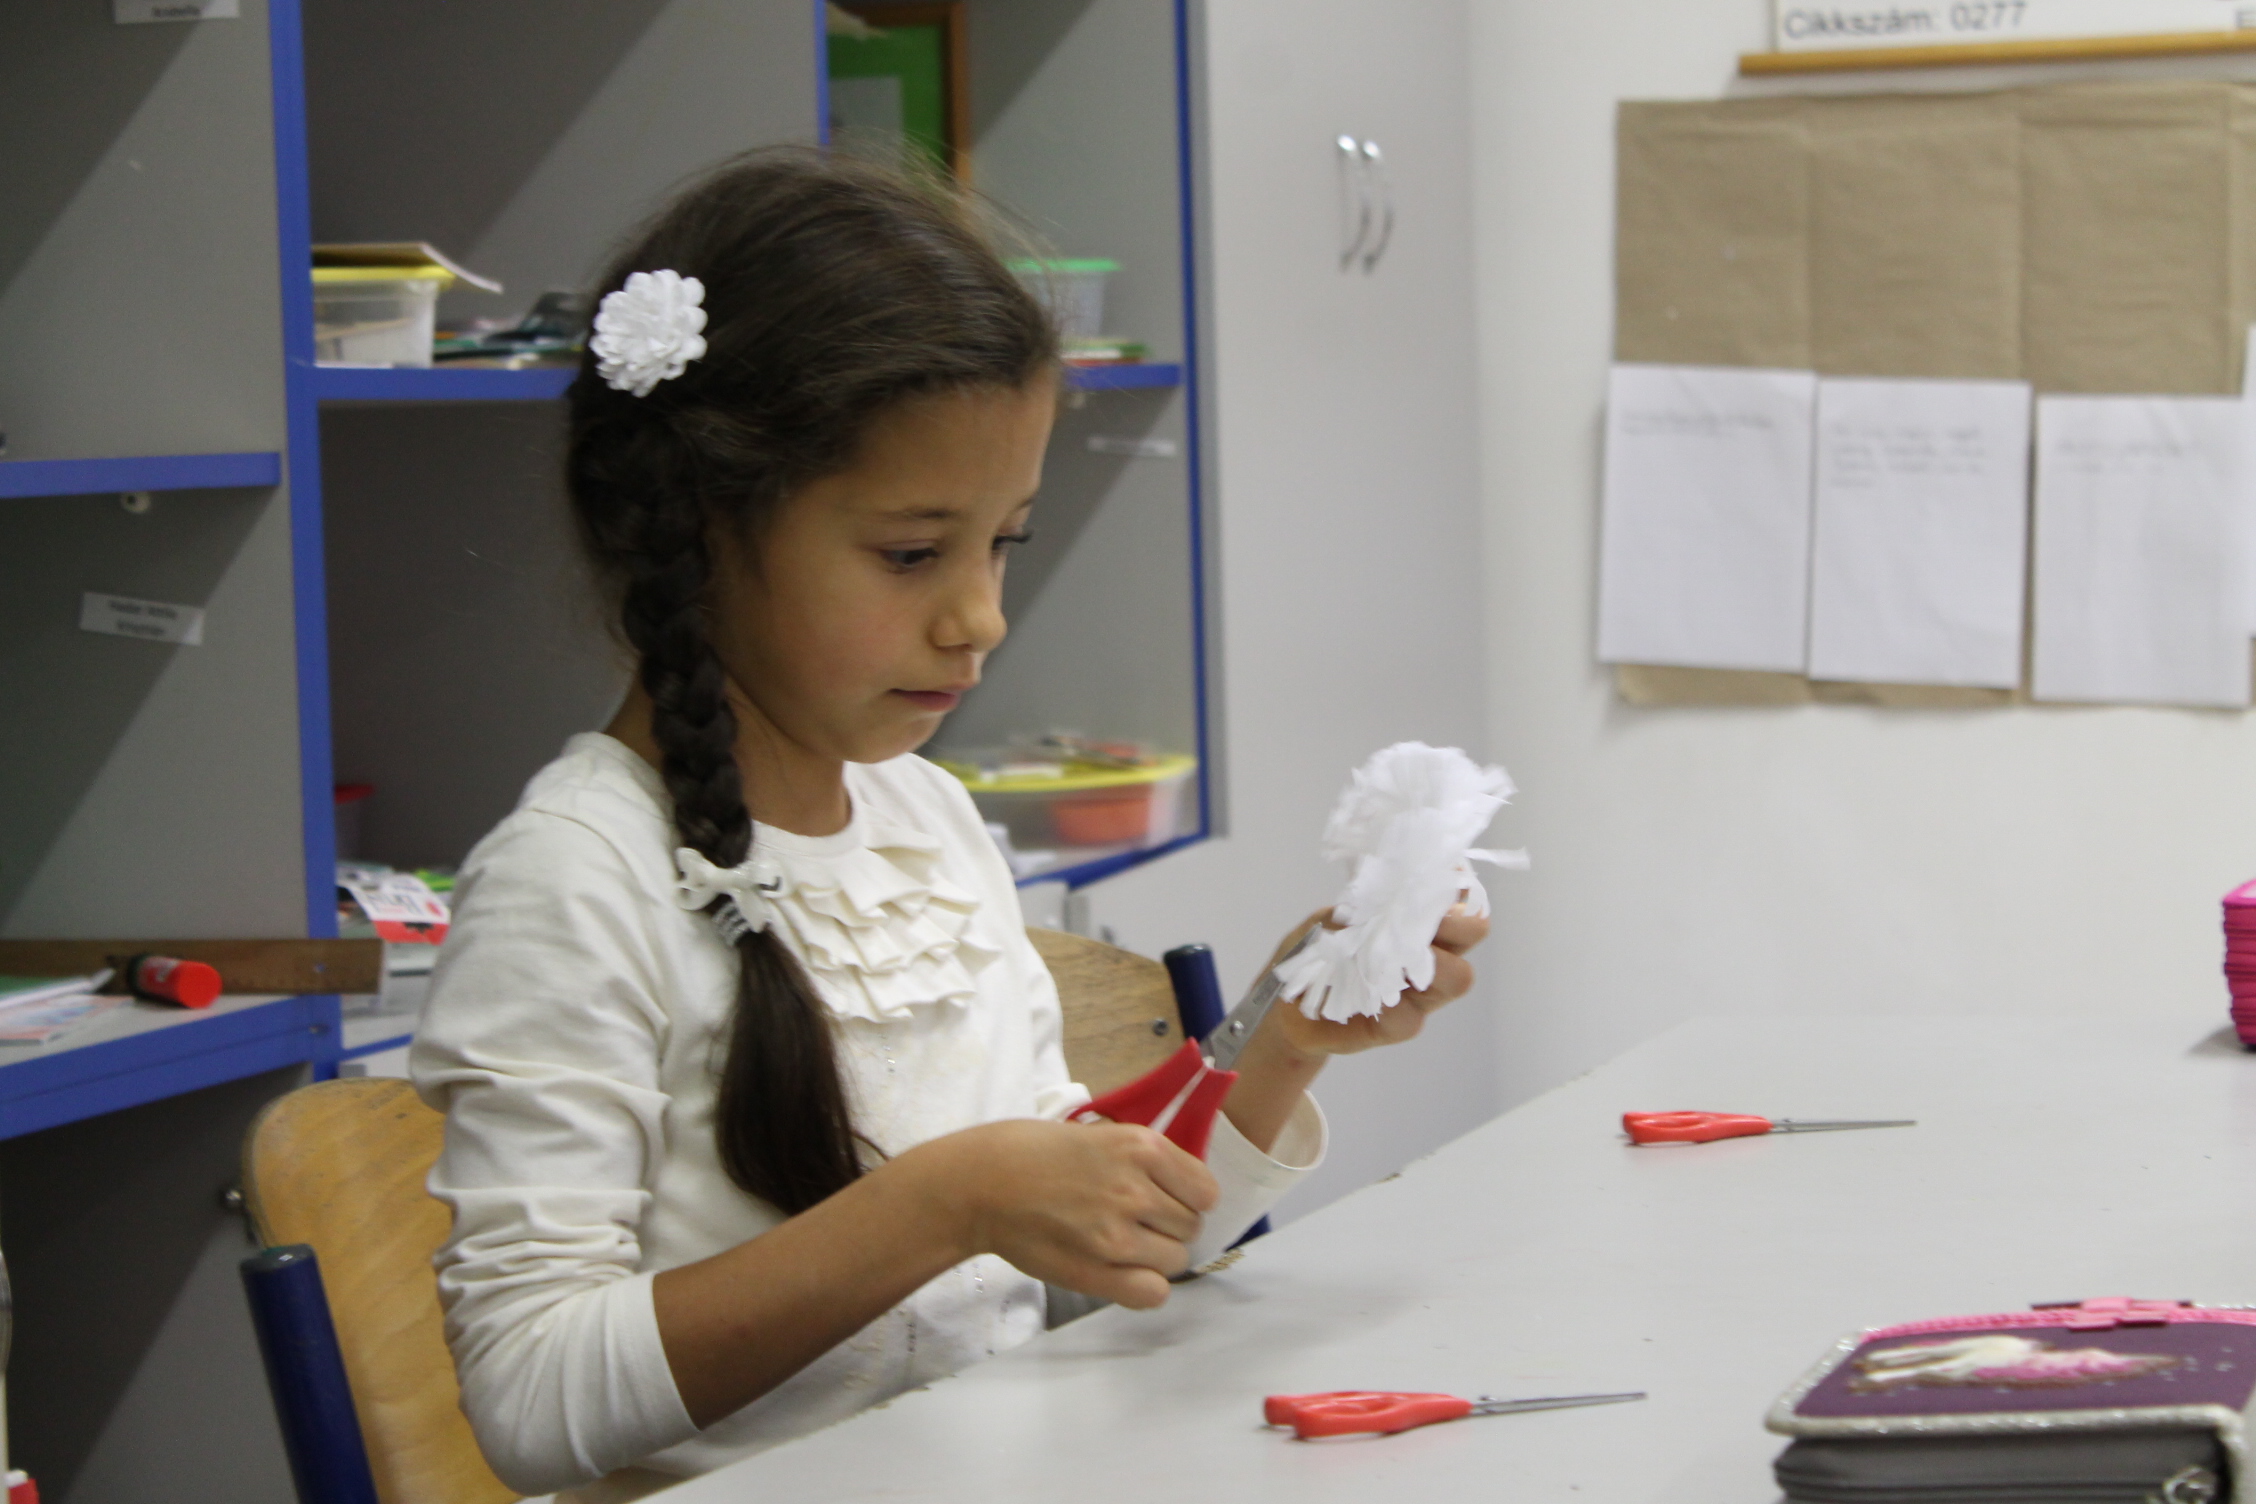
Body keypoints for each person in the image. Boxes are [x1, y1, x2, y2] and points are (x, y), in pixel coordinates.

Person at [409, 147, 1488, 1502]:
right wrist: (944, 1205)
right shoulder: (573, 880)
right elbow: (529, 1398)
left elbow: (1082, 1273)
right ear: (696, 530)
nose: (980, 617)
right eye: (913, 554)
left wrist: (1277, 1043)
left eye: (1003, 544)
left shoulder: (924, 819)